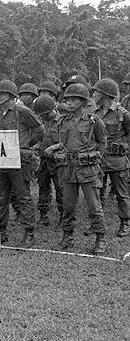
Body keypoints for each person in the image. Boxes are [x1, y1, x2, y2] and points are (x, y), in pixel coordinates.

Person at [44, 83, 107, 254]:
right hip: (68, 168)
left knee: (94, 205)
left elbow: (102, 141)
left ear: (82, 101)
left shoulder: (94, 121)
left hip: (88, 169)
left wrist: (96, 158)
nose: (69, 103)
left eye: (73, 100)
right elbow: (63, 142)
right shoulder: (63, 121)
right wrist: (55, 149)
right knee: (68, 205)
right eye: (67, 100)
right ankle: (67, 236)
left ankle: (100, 238)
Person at [0, 80, 44, 246]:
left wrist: (25, 146)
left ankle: (29, 232)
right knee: (1, 197)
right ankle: (1, 232)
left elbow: (39, 130)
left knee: (23, 196)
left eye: (2, 94)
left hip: (19, 161)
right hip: (0, 160)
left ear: (11, 96)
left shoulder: (22, 111)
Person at [92, 78, 130, 238]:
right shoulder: (95, 113)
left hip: (117, 161)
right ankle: (98, 224)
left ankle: (126, 223)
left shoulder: (123, 114)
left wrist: (124, 148)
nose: (94, 94)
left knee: (122, 194)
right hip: (100, 160)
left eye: (96, 92)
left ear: (105, 94)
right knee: (97, 193)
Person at [32, 95, 63, 227]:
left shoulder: (63, 121)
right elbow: (39, 138)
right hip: (43, 160)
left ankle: (64, 217)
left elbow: (68, 142)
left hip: (58, 161)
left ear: (52, 110)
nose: (42, 117)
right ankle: (43, 216)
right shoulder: (41, 123)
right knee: (43, 188)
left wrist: (53, 148)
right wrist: (37, 146)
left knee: (61, 189)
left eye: (44, 114)